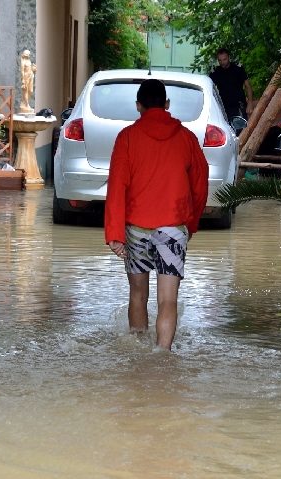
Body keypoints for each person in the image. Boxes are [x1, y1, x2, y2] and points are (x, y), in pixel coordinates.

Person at [104, 79, 209, 350]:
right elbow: (200, 183)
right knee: (168, 300)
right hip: (173, 228)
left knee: (138, 294)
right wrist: (191, 223)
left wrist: (115, 234)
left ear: (138, 106)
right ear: (167, 105)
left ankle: (138, 350)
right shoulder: (186, 138)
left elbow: (117, 186)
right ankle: (162, 357)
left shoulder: (127, 137)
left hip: (136, 227)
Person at [209, 48, 254, 119]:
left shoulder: (238, 69)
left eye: (224, 59)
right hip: (223, 107)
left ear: (229, 57)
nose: (222, 62)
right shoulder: (215, 72)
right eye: (220, 60)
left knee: (241, 128)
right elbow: (210, 89)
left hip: (239, 105)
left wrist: (250, 103)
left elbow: (247, 86)